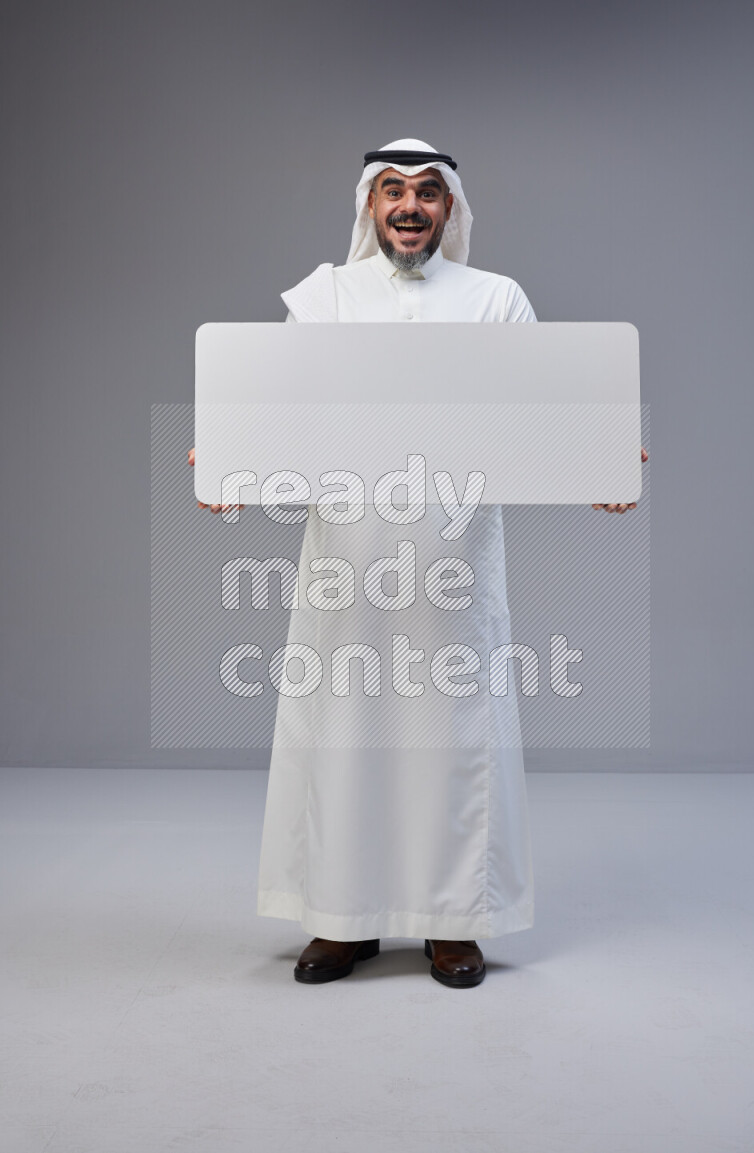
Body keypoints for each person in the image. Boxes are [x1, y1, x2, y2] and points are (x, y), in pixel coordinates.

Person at [189, 138, 646, 988]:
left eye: (428, 193)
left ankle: (451, 923)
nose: (409, 205)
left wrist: (604, 464)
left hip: (453, 567)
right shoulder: (323, 297)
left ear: (451, 209)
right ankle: (340, 919)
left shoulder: (496, 300)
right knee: (347, 737)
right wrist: (225, 459)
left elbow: (546, 414)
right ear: (368, 204)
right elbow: (275, 411)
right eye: (392, 190)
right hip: (346, 566)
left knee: (449, 738)